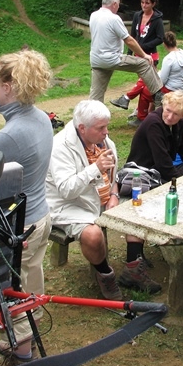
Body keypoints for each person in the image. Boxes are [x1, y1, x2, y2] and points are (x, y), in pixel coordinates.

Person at [0, 49, 53, 366]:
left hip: (18, 227)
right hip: (41, 215)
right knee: (31, 279)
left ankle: (21, 351)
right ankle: (31, 331)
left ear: (8, 87)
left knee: (12, 289)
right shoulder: (40, 118)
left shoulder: (8, 135)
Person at [46, 100, 126, 300]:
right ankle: (105, 273)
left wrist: (114, 194)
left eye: (106, 126)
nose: (106, 132)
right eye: (101, 128)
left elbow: (113, 174)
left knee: (139, 206)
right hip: (68, 205)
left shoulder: (103, 141)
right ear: (82, 128)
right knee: (93, 235)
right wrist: (95, 168)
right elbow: (66, 190)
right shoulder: (60, 147)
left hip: (100, 198)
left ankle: (135, 263)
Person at [89, 0, 164, 106]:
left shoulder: (94, 15)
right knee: (145, 64)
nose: (118, 7)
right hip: (112, 59)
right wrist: (144, 55)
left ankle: (90, 119)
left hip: (96, 60)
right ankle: (158, 96)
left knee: (96, 95)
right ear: (114, 4)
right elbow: (129, 39)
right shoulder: (114, 18)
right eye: (118, 4)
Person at [110, 0, 166, 124]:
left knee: (145, 82)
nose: (144, 5)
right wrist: (130, 52)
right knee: (145, 83)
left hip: (150, 56)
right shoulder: (137, 15)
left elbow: (160, 38)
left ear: (153, 4)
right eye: (142, 2)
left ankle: (127, 99)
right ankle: (142, 112)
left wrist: (144, 46)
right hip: (137, 54)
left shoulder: (157, 19)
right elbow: (132, 37)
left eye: (147, 3)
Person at [126, 90, 183, 182]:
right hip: (142, 173)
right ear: (163, 105)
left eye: (176, 114)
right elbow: (162, 161)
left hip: (159, 170)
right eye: (168, 110)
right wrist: (178, 182)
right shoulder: (153, 123)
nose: (170, 117)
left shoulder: (180, 123)